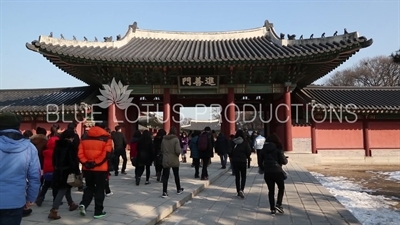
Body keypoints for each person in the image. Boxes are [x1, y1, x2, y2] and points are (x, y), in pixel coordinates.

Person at [0, 113, 41, 225]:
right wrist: (31, 197)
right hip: (15, 200)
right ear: (18, 127)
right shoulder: (29, 148)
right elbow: (35, 177)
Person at [78, 122, 113, 219]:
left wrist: (86, 162)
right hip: (101, 169)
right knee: (99, 189)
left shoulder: (84, 137)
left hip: (87, 168)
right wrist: (95, 163)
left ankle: (84, 204)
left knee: (89, 187)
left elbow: (79, 153)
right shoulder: (107, 138)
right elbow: (106, 154)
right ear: (104, 128)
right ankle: (98, 211)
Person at [47, 129, 80, 220]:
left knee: (66, 187)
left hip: (58, 170)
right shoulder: (70, 146)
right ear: (71, 137)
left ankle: (71, 204)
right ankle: (54, 210)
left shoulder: (58, 145)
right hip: (67, 170)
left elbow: (54, 158)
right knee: (62, 189)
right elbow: (73, 160)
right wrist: (77, 171)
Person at [260, 133, 288, 215]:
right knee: (281, 188)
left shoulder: (263, 149)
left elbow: (260, 162)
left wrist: (263, 169)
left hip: (268, 173)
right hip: (277, 171)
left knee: (271, 190)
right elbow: (284, 161)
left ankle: (272, 208)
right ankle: (278, 204)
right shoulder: (278, 149)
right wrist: (285, 159)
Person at [35, 132, 58, 206]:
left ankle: (41, 197)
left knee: (46, 185)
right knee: (55, 186)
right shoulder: (57, 152)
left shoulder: (45, 152)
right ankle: (55, 199)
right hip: (54, 170)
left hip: (46, 170)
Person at [160, 127, 184, 198]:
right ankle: (178, 189)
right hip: (173, 158)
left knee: (165, 176)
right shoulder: (175, 139)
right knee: (176, 174)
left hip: (166, 158)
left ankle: (164, 192)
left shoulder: (164, 139)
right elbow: (177, 151)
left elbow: (162, 149)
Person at [228, 130, 252, 199]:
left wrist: (232, 156)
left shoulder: (233, 142)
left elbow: (229, 151)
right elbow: (248, 151)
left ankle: (238, 191)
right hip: (243, 161)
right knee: (243, 176)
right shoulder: (245, 142)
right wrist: (247, 157)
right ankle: (242, 189)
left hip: (235, 161)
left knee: (237, 177)